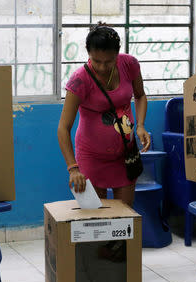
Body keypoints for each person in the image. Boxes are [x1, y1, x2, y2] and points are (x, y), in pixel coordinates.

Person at [57, 22, 150, 207]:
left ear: (117, 54)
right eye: (96, 61)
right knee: (95, 221)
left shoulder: (129, 64)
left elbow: (140, 95)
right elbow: (63, 128)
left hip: (125, 155)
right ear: (88, 53)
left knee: (124, 218)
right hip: (91, 158)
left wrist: (140, 125)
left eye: (108, 61)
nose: (102, 67)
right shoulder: (79, 80)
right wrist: (73, 169)